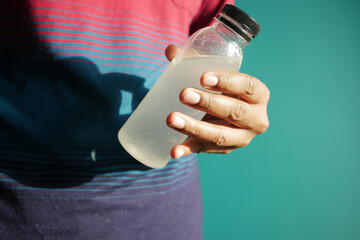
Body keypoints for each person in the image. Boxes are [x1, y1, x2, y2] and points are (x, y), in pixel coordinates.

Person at [0, 0, 269, 239]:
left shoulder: (223, 43)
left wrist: (231, 117)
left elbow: (201, 81)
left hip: (165, 218)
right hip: (30, 211)